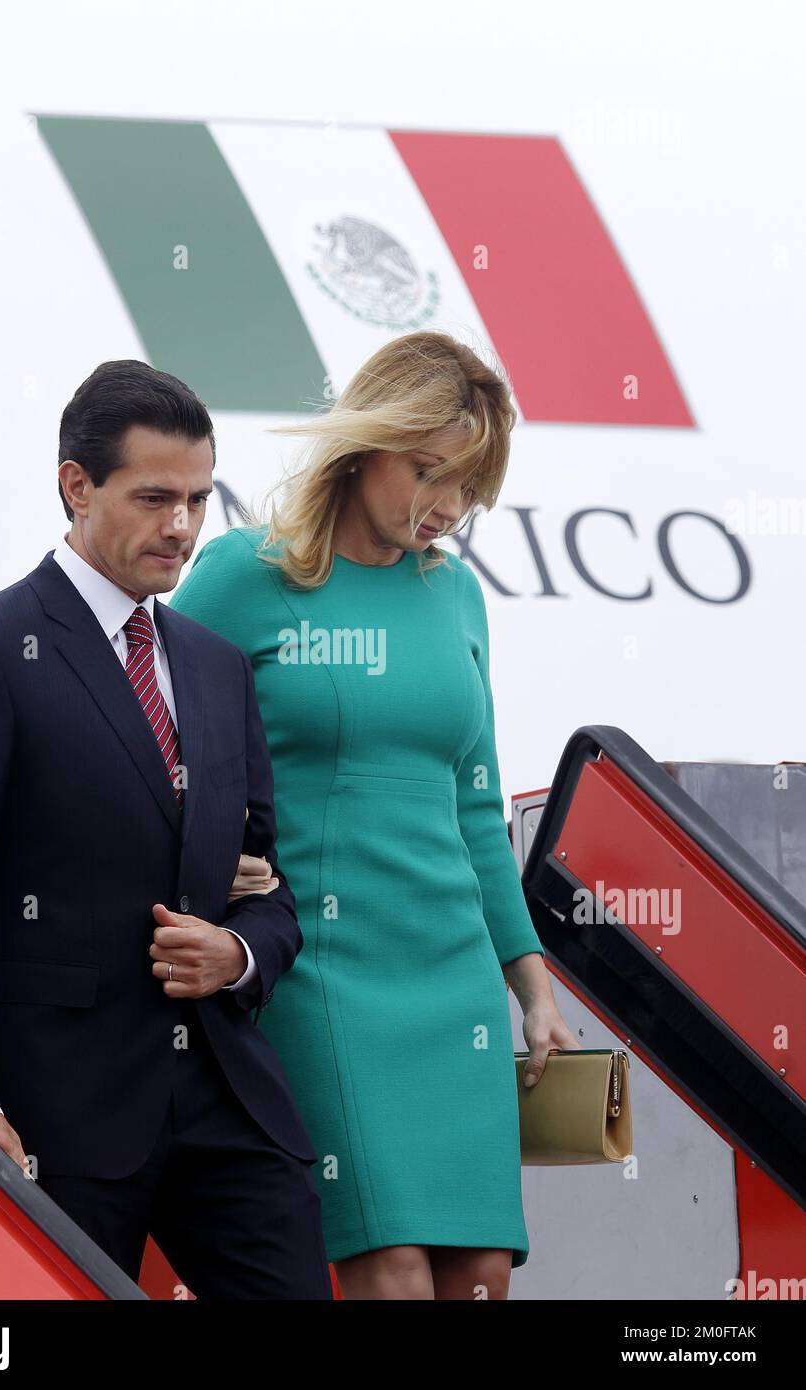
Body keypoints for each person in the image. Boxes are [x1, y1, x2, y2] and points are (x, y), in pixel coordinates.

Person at [0, 359, 332, 1299]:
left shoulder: (216, 667)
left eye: (201, 499)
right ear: (75, 485)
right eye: (156, 497)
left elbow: (269, 887)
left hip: (228, 1105)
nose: (182, 527)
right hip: (52, 1115)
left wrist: (238, 956)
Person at [170, 331, 579, 1300]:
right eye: (427, 471)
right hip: (324, 973)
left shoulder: (458, 597)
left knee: (479, 1270)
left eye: (468, 488)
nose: (445, 507)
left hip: (453, 981)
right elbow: (155, 741)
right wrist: (205, 860)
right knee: (389, 1261)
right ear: (367, 443)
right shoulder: (242, 574)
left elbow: (478, 807)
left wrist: (533, 987)